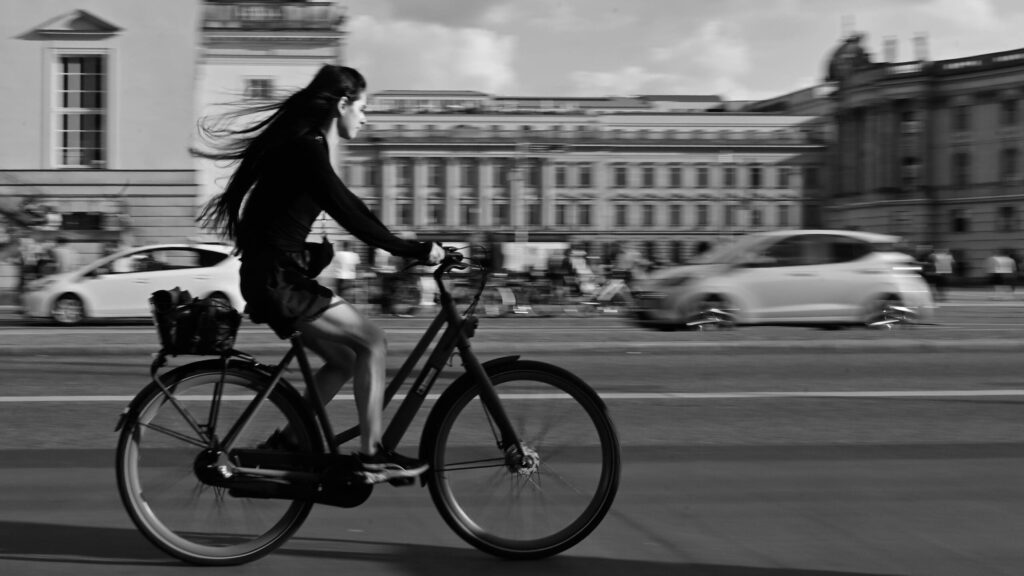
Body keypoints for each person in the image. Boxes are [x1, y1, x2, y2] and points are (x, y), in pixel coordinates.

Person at [196, 65, 444, 484]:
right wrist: (412, 249)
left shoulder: (307, 146)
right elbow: (348, 212)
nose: (365, 119)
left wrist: (408, 244)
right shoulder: (307, 148)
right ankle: (371, 455)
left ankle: (288, 444)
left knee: (343, 360)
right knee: (373, 341)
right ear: (343, 104)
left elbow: (351, 206)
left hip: (273, 278)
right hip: (279, 282)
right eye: (363, 108)